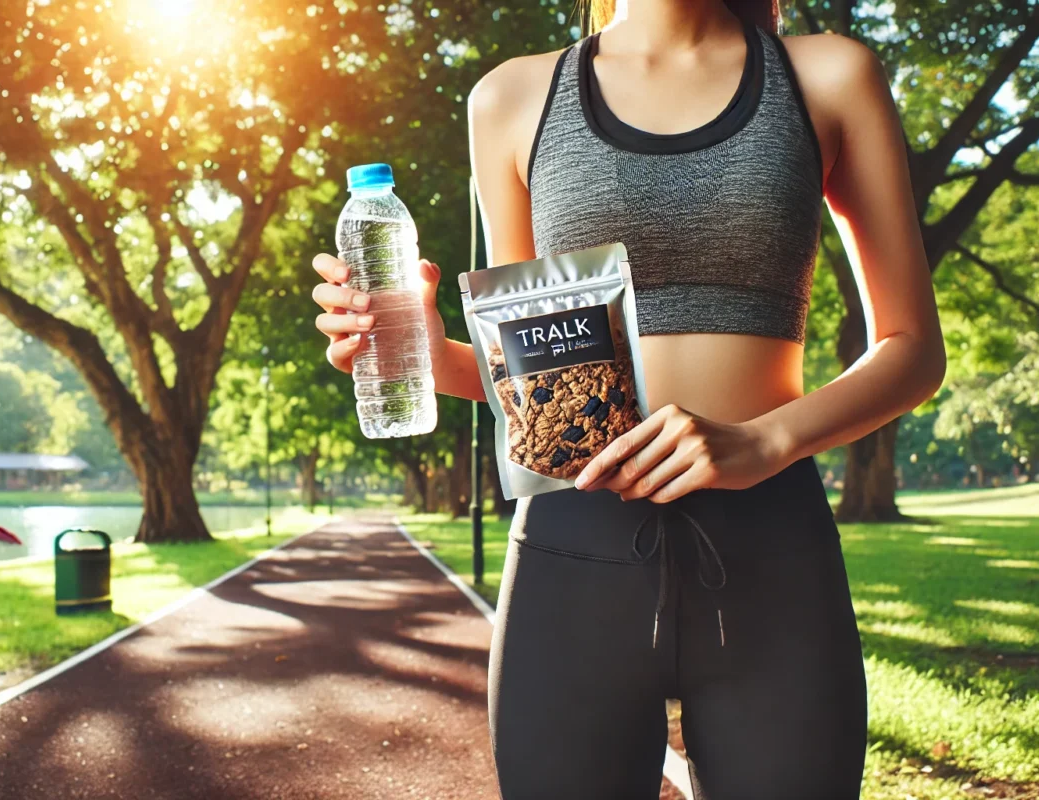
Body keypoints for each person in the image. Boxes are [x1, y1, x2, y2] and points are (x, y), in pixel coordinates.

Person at [310, 0, 945, 796]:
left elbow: (914, 350)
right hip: (572, 553)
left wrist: (766, 443)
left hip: (773, 554)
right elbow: (534, 379)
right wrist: (435, 358)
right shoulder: (510, 98)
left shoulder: (827, 75)